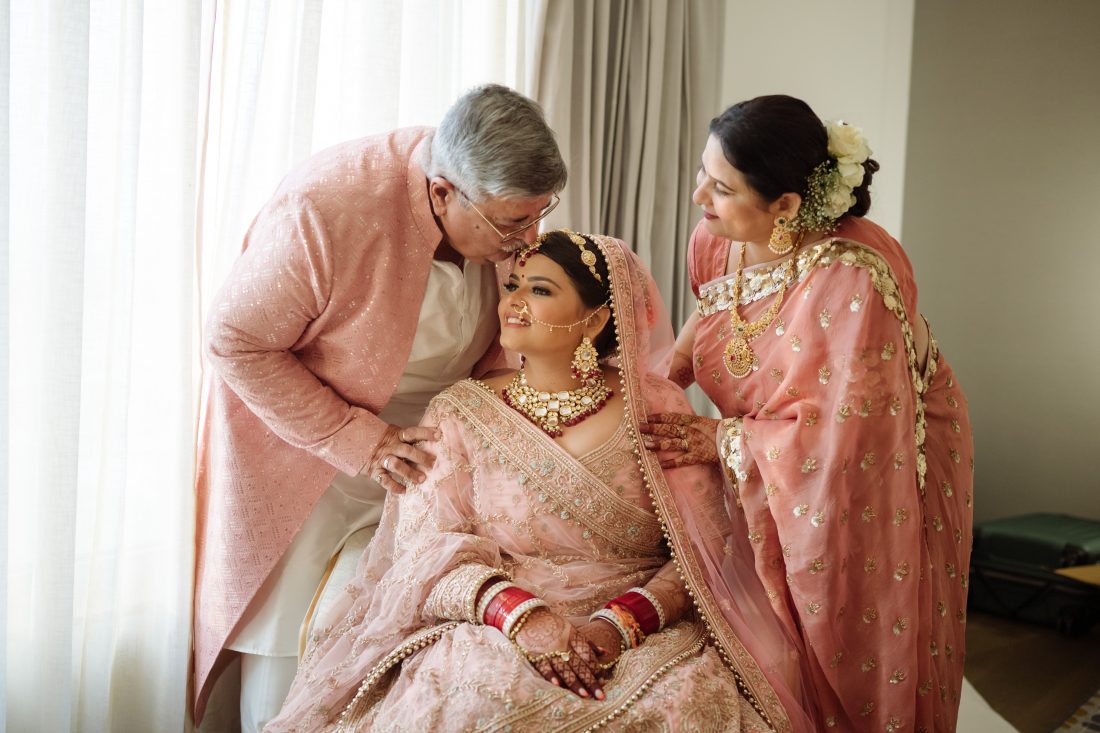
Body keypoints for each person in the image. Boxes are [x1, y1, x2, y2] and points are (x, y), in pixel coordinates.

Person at [265, 231, 816, 732]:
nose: (513, 301)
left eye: (541, 290)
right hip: (496, 625)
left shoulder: (656, 406)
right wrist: (521, 617)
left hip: (640, 625)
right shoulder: (459, 411)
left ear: (595, 320)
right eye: (512, 285)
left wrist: (621, 623)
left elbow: (703, 549)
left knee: (683, 710)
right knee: (482, 706)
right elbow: (427, 552)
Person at [193, 84, 567, 729]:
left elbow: (505, 339)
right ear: (444, 192)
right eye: (513, 223)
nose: (529, 237)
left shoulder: (496, 210)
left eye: (540, 214)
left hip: (435, 462)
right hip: (311, 453)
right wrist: (358, 439)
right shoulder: (327, 208)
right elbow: (234, 342)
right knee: (297, 646)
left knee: (405, 640)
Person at [642, 95, 975, 732]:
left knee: (846, 625)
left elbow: (843, 443)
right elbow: (713, 322)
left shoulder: (852, 282)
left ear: (787, 207)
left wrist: (721, 439)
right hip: (773, 440)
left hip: (877, 452)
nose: (697, 196)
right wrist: (642, 395)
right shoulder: (717, 240)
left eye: (720, 186)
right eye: (702, 174)